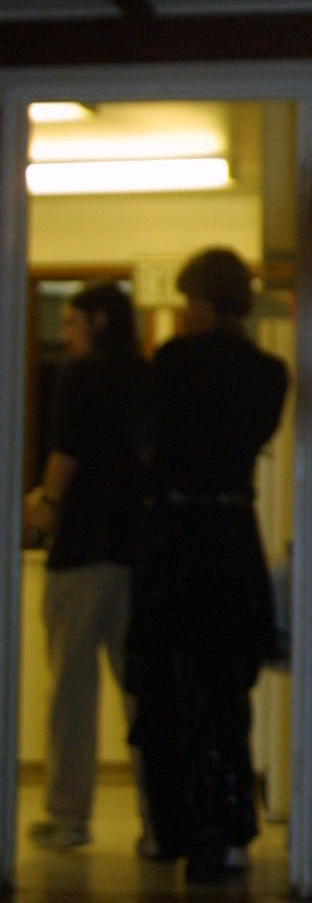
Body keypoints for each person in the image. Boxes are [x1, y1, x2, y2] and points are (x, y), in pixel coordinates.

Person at [127, 248, 288, 884]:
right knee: (226, 690)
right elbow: (253, 438)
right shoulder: (269, 373)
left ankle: (176, 829)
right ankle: (230, 827)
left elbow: (146, 443)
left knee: (166, 687)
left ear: (202, 301)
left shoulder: (173, 361)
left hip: (174, 534)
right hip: (231, 532)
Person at [23, 281, 146, 851]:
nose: (66, 334)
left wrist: (46, 505)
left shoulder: (79, 376)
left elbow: (65, 454)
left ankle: (69, 817)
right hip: (135, 549)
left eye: (72, 322)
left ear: (98, 321)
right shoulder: (146, 374)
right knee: (139, 691)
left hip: (79, 550)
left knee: (71, 690)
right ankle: (158, 821)